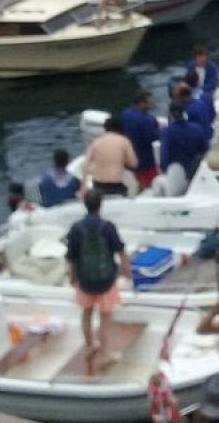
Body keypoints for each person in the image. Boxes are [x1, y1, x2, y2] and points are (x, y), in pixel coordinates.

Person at [65, 191, 130, 373]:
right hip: (106, 281)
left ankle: (89, 346)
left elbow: (71, 257)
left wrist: (72, 277)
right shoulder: (108, 227)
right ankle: (106, 353)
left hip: (84, 280)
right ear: (100, 205)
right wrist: (127, 271)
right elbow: (121, 251)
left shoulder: (76, 228)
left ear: (84, 204)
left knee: (86, 313)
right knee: (105, 318)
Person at [85, 113, 139, 196]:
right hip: (115, 186)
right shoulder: (124, 141)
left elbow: (86, 166)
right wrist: (122, 159)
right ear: (120, 128)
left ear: (105, 128)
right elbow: (134, 163)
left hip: (97, 185)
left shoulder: (96, 142)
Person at [120, 91, 162, 190]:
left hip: (129, 161)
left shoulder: (125, 114)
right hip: (146, 162)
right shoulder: (147, 120)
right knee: (150, 187)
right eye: (150, 102)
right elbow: (154, 139)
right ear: (142, 103)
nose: (152, 104)